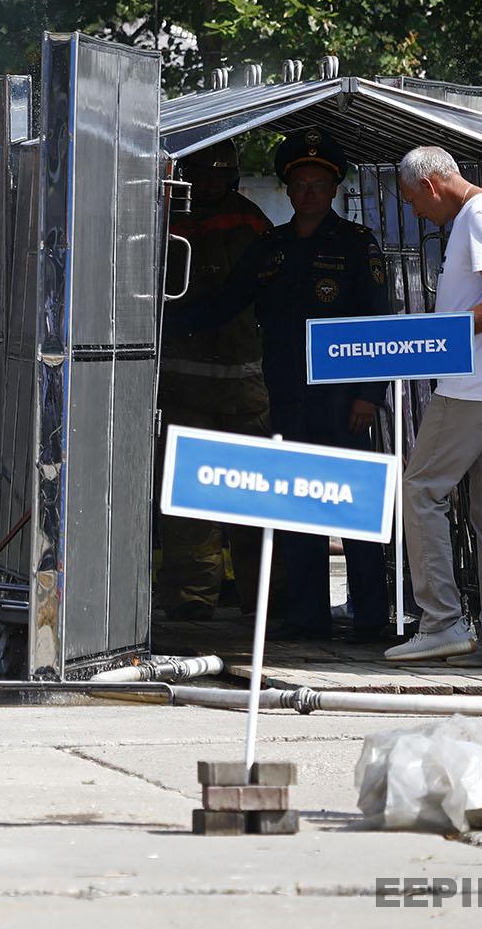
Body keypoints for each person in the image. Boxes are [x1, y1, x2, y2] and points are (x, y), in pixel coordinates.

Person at [168, 128, 393, 641]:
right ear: (288, 191)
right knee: (298, 506)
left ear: (333, 190)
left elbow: (377, 325)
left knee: (352, 507)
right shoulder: (270, 247)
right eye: (300, 185)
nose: (308, 194)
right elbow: (225, 303)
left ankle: (371, 620)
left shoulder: (357, 245)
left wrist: (368, 396)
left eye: (318, 185)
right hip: (287, 397)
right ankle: (308, 617)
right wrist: (160, 322)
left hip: (342, 401)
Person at [385, 146, 482, 667]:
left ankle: (442, 622)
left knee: (421, 490)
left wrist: (440, 337)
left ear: (431, 185)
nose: (415, 211)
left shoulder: (479, 215)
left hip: (476, 388)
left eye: (412, 200)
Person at [155, 140, 273, 622]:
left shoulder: (249, 222)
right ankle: (191, 597)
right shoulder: (165, 218)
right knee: (191, 495)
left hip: (244, 386)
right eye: (201, 174)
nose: (208, 184)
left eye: (216, 176)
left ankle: (264, 597)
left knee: (252, 492)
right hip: (185, 388)